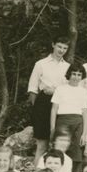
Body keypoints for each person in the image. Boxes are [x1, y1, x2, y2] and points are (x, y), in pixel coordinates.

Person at [27, 32, 70, 165]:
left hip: (61, 105)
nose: (61, 50)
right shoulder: (41, 64)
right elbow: (33, 89)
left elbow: (69, 89)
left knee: (59, 144)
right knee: (42, 144)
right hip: (43, 104)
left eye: (64, 48)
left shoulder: (67, 67)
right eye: (59, 46)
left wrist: (56, 91)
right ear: (53, 45)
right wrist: (36, 110)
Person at [49, 61, 87, 172]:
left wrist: (84, 134)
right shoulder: (60, 89)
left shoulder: (84, 92)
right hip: (62, 122)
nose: (76, 77)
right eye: (74, 74)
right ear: (69, 74)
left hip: (78, 122)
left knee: (76, 152)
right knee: (60, 150)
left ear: (82, 77)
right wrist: (52, 128)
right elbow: (54, 109)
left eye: (79, 75)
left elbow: (85, 114)